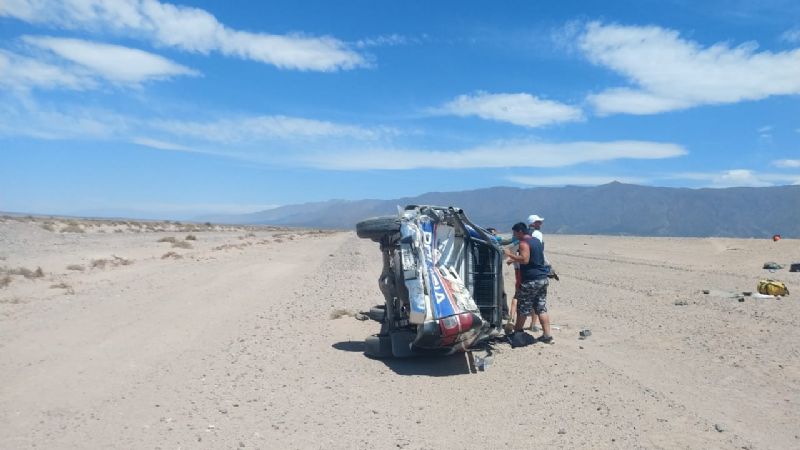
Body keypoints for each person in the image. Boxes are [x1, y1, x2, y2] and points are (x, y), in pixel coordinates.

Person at [504, 222, 554, 344]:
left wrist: (510, 254)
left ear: (520, 232)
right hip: (542, 278)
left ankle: (517, 333)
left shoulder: (523, 243)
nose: (514, 235)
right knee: (541, 308)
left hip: (531, 280)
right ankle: (547, 336)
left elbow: (525, 260)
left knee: (523, 308)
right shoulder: (537, 241)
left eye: (514, 233)